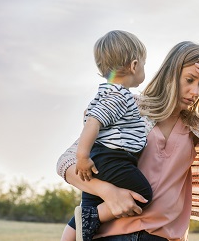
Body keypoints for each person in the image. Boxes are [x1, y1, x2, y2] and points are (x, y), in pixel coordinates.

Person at [56, 40, 199, 241]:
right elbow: (66, 163)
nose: (195, 91)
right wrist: (108, 192)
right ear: (171, 74)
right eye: (189, 80)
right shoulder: (131, 108)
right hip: (110, 234)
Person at [69, 30, 153, 241]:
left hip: (104, 157)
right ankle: (93, 216)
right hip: (113, 158)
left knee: (90, 201)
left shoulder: (106, 92)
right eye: (144, 64)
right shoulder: (118, 95)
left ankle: (78, 231)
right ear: (134, 65)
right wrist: (82, 157)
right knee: (143, 195)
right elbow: (92, 122)